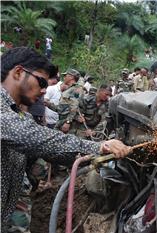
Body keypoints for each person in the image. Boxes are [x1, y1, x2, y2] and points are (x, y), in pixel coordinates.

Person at [0, 47, 131, 232]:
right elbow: (38, 139)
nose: (45, 91)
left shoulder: (19, 114)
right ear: (19, 72)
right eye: (41, 82)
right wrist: (99, 148)